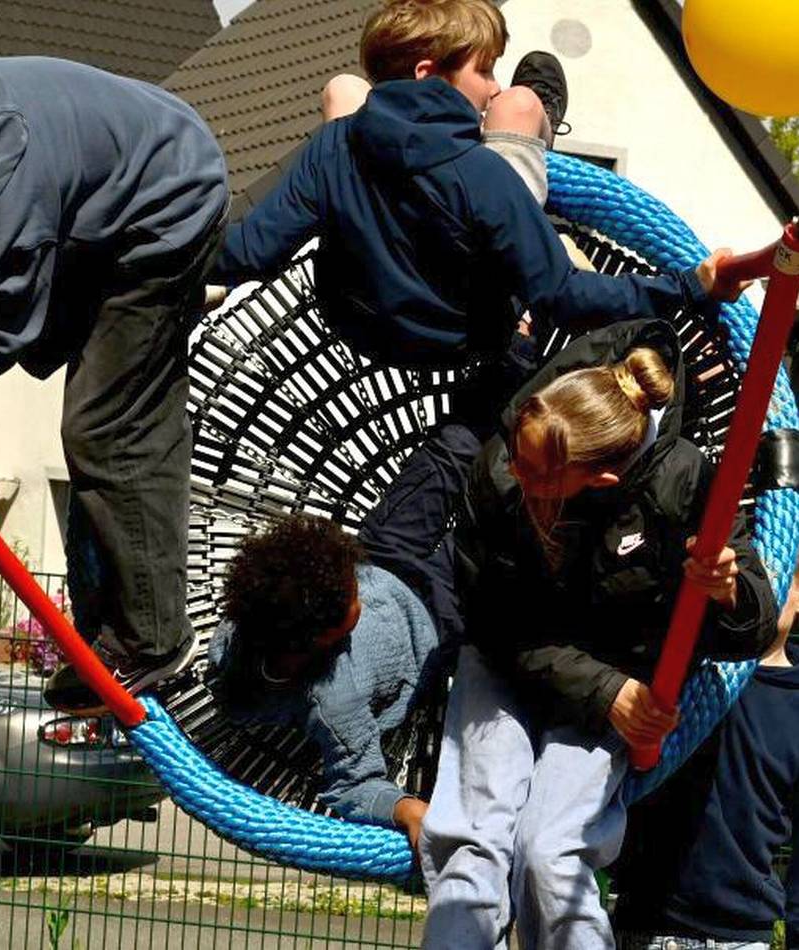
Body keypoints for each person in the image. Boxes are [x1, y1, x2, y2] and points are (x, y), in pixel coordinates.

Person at [0, 57, 229, 713]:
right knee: (90, 417)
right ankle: (100, 640)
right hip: (101, 193)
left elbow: (0, 341)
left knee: (105, 428)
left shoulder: (3, 189)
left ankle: (155, 640)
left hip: (167, 208)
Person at [210, 0, 741, 434]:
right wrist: (688, 286)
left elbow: (248, 253)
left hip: (360, 329)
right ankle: (539, 123)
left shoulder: (332, 146)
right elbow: (562, 296)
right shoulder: (483, 177)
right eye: (483, 70)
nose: (491, 86)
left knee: (344, 92)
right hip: (458, 343)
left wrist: (151, 244)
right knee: (519, 109)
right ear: (429, 75)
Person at [420, 318, 779, 949]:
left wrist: (724, 591)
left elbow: (748, 632)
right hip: (510, 658)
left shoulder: (681, 484)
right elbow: (489, 618)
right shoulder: (503, 469)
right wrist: (607, 688)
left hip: (615, 677)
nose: (514, 475)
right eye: (515, 454)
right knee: (474, 849)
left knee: (551, 854)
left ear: (599, 482)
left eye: (535, 474)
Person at [208, 423, 481, 851]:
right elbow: (355, 785)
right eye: (354, 597)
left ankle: (516, 371)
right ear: (326, 634)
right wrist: (407, 809)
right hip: (438, 612)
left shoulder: (242, 632)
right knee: (500, 513)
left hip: (385, 553)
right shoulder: (335, 699)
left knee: (454, 449)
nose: (359, 591)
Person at [612, 565, 799, 950]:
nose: (769, 591)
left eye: (781, 578)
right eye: (754, 579)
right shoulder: (683, 670)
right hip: (645, 924)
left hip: (743, 934)